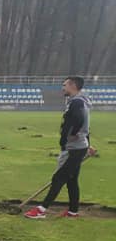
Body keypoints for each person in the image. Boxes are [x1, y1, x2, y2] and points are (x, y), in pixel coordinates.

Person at [24, 76, 93, 219]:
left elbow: (79, 119)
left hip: (74, 148)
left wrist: (73, 134)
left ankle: (41, 210)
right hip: (79, 146)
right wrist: (88, 143)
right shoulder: (81, 101)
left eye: (65, 85)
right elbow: (86, 125)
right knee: (72, 180)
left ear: (73, 85)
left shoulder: (77, 102)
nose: (63, 88)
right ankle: (73, 211)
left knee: (58, 178)